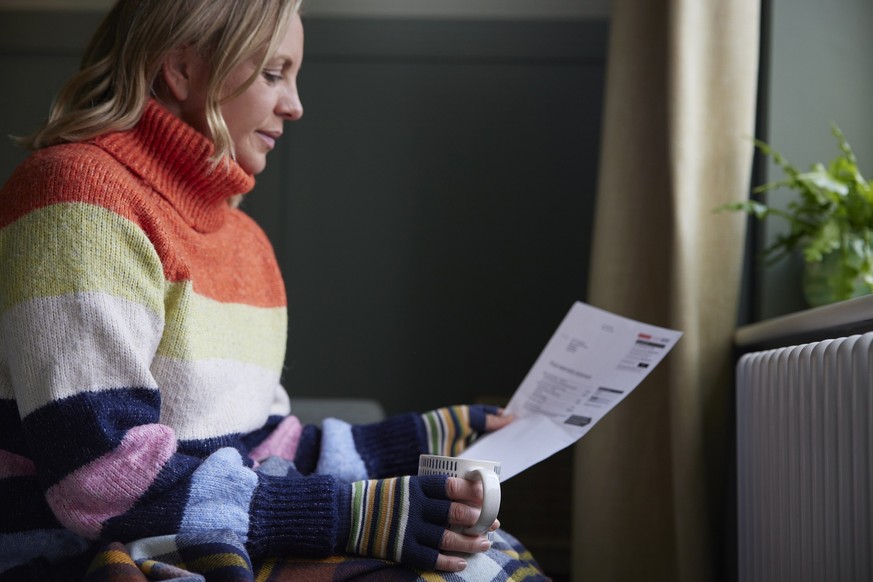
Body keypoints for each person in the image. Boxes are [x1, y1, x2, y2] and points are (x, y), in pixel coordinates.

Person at [0, 1, 547, 580]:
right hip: (81, 556)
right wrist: (352, 517)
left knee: (498, 559)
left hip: (195, 535)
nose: (295, 104)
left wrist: (426, 437)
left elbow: (261, 445)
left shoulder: (244, 240)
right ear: (181, 69)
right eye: (272, 73)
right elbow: (101, 478)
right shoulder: (77, 199)